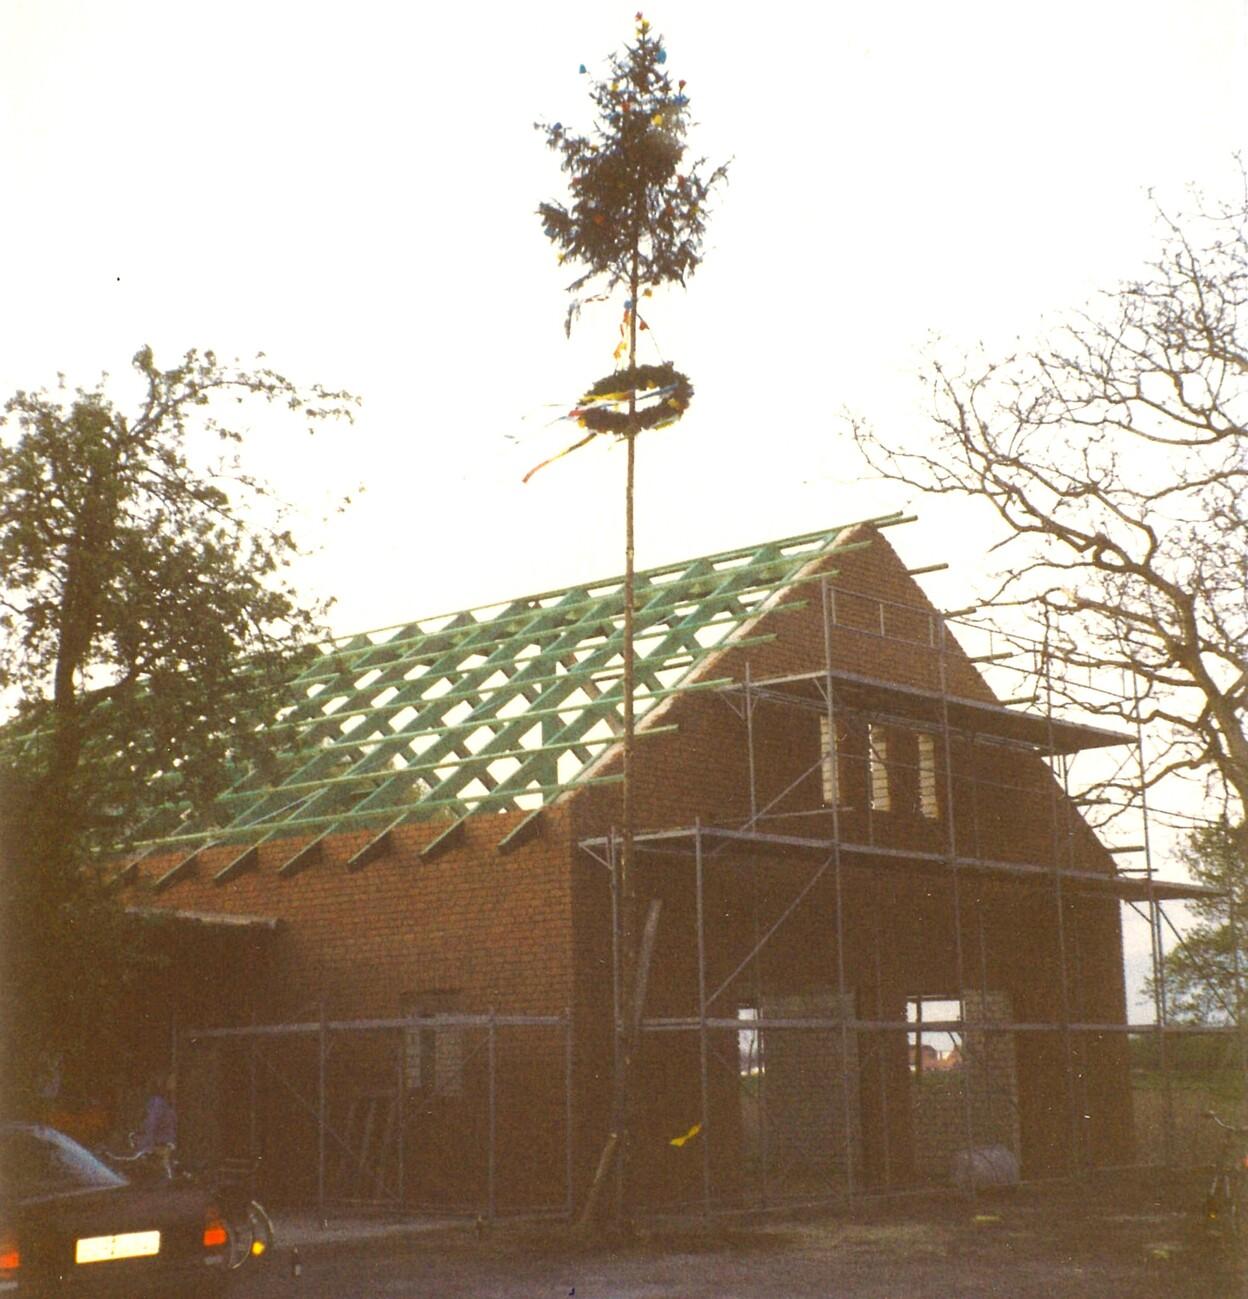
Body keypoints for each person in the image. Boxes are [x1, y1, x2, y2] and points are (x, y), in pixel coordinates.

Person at [135, 1073, 177, 1176]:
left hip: (166, 1143)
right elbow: (152, 1124)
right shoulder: (158, 1102)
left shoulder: (168, 1102)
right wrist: (149, 1145)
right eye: (171, 1080)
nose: (174, 1083)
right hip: (160, 1143)